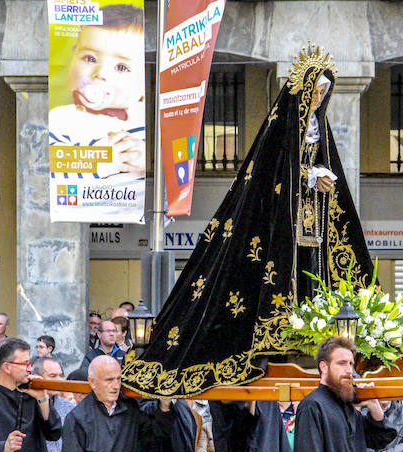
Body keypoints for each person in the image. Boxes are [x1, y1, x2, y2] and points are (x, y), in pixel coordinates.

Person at [121, 43, 374, 398]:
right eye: (314, 92)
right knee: (285, 269)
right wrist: (308, 176)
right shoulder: (282, 129)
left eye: (323, 94)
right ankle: (283, 336)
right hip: (279, 220)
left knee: (313, 267)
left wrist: (321, 180)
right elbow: (274, 174)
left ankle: (311, 332)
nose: (318, 99)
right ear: (302, 94)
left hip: (312, 216)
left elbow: (327, 170)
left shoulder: (320, 129)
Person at [49, 4, 146, 182]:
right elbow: (51, 168)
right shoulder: (61, 119)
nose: (100, 73)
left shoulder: (146, 119)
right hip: (76, 206)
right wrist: (104, 160)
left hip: (133, 208)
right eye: (90, 58)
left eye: (121, 67)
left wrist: (146, 159)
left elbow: (169, 164)